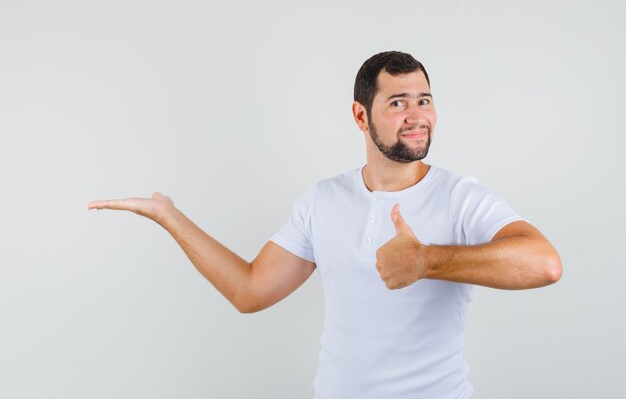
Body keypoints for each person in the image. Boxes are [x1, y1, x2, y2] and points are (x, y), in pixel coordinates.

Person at [88, 51, 562, 399]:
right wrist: (170, 217)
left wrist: (426, 260)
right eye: (398, 103)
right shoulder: (323, 200)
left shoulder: (459, 196)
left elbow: (543, 264)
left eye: (424, 100)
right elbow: (250, 291)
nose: (418, 116)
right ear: (361, 115)